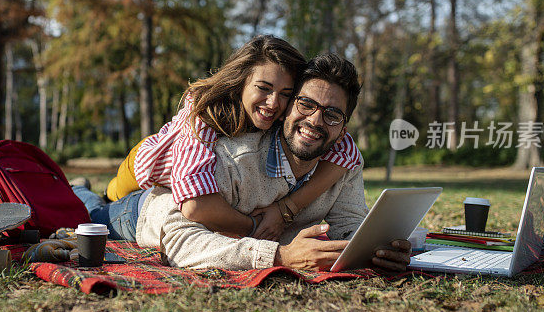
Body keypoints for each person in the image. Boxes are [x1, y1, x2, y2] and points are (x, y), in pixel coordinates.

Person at [72, 54, 411, 271]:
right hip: (145, 208)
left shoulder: (344, 160)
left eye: (332, 114)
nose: (316, 121)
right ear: (289, 108)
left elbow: (347, 224)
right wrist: (277, 256)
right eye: (306, 104)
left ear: (344, 129)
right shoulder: (230, 153)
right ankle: (79, 191)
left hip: (169, 191)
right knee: (89, 213)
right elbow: (180, 238)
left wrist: (375, 248)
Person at [104, 35, 362, 241]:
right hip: (146, 165)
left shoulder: (283, 123)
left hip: (167, 186)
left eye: (285, 93)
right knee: (110, 196)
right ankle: (86, 192)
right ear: (241, 83)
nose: (273, 103)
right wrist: (257, 226)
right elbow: (194, 206)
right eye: (263, 88)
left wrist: (286, 208)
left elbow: (348, 153)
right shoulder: (203, 115)